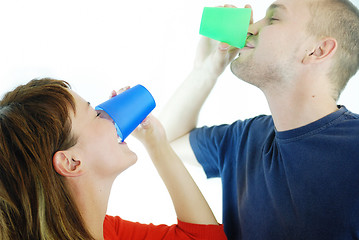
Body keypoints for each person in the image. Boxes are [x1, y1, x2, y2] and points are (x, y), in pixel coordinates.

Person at [160, 0, 359, 239]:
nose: (251, 28)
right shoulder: (246, 138)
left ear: (317, 50)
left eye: (273, 19)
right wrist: (206, 70)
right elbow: (167, 142)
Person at [0, 78, 227, 240]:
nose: (110, 115)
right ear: (71, 162)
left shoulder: (105, 230)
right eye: (96, 114)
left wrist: (156, 143)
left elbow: (201, 236)